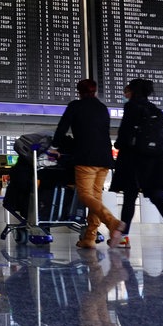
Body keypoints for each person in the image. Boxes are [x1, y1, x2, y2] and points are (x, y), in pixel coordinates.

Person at [109, 78, 163, 250]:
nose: (125, 95)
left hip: (135, 160)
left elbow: (125, 132)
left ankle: (123, 237)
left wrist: (118, 144)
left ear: (133, 92)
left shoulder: (131, 106)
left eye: (126, 91)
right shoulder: (156, 110)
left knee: (129, 196)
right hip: (155, 161)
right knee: (157, 195)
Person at [49, 79, 125, 249]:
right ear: (95, 91)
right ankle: (89, 238)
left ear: (79, 92)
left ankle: (112, 222)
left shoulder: (75, 106)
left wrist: (54, 147)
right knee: (95, 197)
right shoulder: (102, 108)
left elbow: (62, 128)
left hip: (85, 158)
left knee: (85, 196)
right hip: (104, 158)